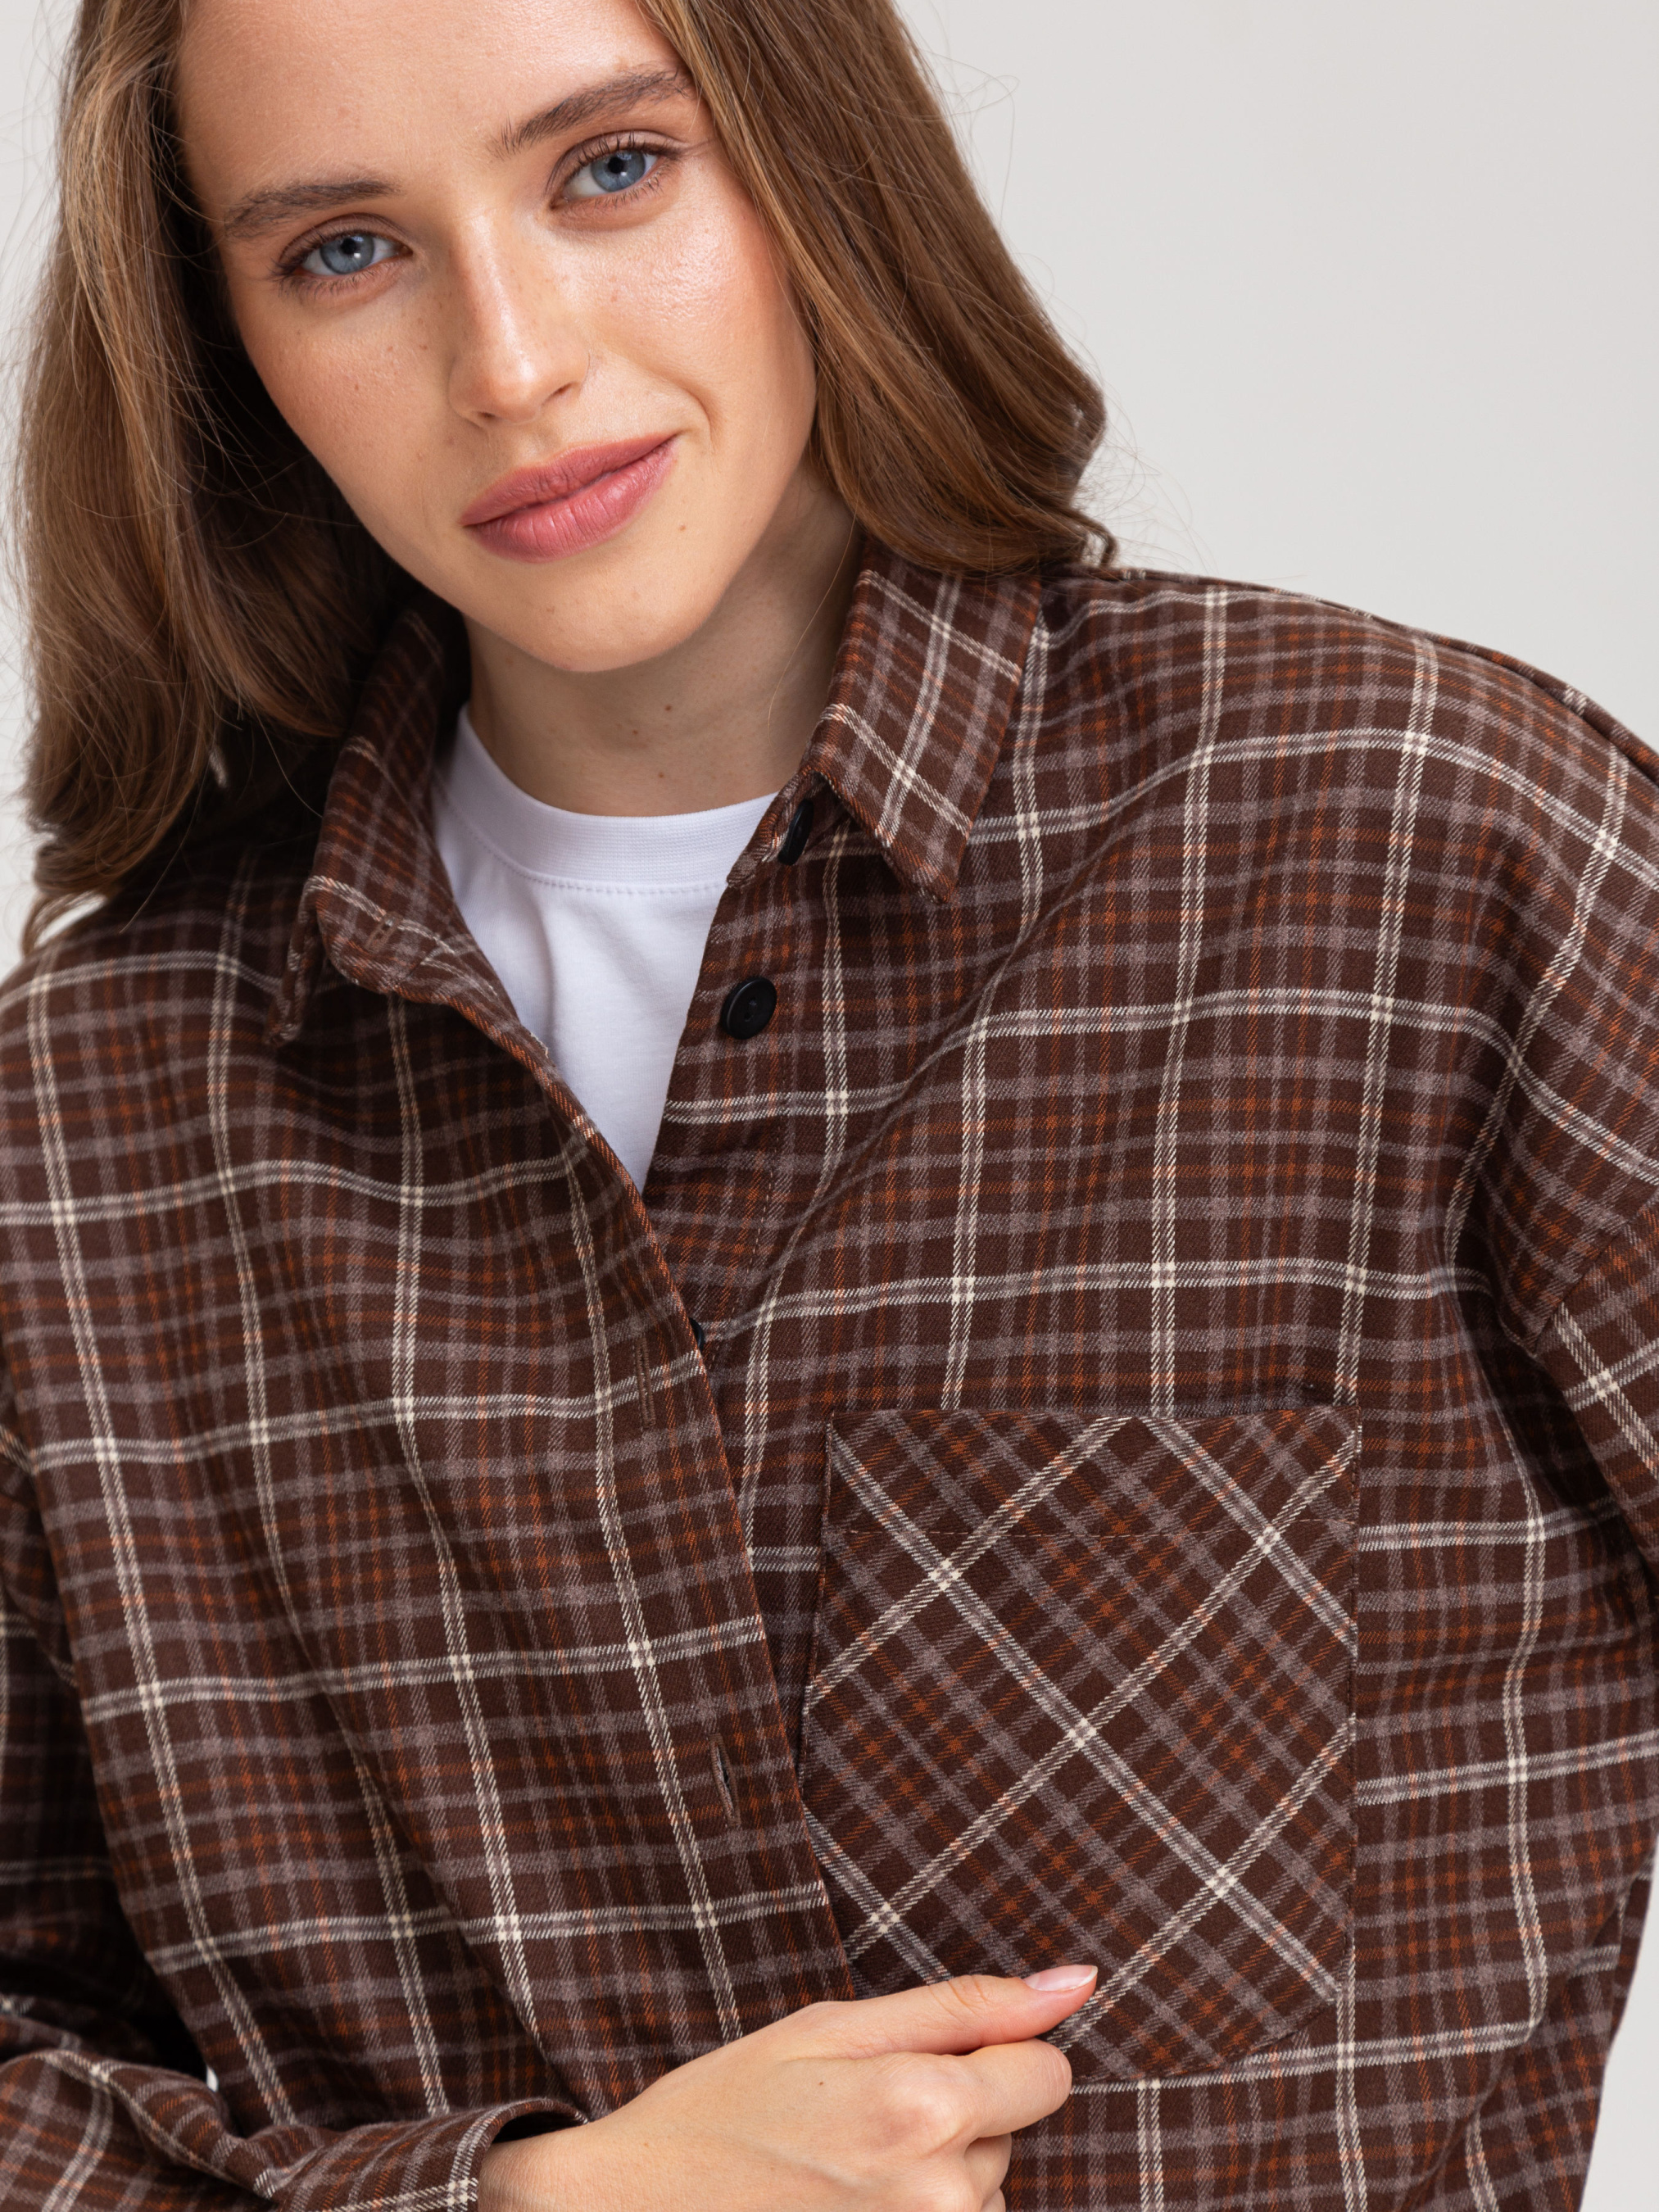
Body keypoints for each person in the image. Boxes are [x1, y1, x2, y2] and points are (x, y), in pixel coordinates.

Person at [0, 0, 1654, 2205]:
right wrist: (523, 2200)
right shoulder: (81, 1119)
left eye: (610, 169)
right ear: (223, 351)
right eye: (344, 252)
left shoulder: (1424, 853)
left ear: (810, 164)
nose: (512, 361)